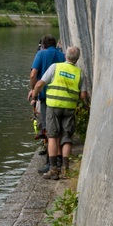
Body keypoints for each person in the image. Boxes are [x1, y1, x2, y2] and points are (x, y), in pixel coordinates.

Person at [31, 46, 88, 180]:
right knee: (66, 137)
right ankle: (65, 169)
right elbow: (83, 95)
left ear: (66, 56)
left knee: (52, 136)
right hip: (69, 107)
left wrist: (34, 96)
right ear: (77, 58)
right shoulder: (80, 73)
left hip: (53, 106)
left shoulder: (55, 67)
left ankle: (53, 170)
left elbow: (39, 84)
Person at [28, 35, 65, 172]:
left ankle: (51, 163)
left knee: (49, 130)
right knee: (59, 129)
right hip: (61, 96)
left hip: (45, 96)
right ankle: (61, 159)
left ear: (43, 44)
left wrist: (33, 91)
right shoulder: (62, 55)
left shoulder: (41, 54)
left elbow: (33, 75)